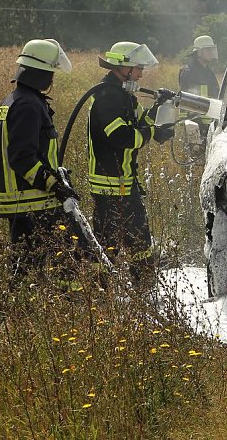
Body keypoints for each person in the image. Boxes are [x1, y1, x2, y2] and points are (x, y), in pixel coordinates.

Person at [0, 39, 83, 286]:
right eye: (51, 72)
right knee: (67, 258)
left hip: (24, 201)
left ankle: (22, 310)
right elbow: (22, 158)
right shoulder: (29, 105)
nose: (52, 79)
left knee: (26, 267)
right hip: (32, 201)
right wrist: (55, 185)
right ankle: (70, 306)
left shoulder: (14, 100)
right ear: (41, 73)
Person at [87, 41, 175, 287]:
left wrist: (159, 109)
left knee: (129, 240)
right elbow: (121, 137)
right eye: (138, 68)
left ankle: (133, 288)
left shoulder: (124, 96)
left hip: (123, 181)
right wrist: (148, 134)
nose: (141, 74)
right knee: (119, 241)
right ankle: (118, 291)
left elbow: (143, 121)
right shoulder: (107, 97)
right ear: (123, 68)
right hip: (112, 184)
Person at [179, 35, 221, 136]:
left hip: (209, 123)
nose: (211, 53)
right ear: (199, 52)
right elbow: (184, 99)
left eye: (212, 49)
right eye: (208, 50)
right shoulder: (188, 72)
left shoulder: (208, 72)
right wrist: (187, 123)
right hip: (195, 123)